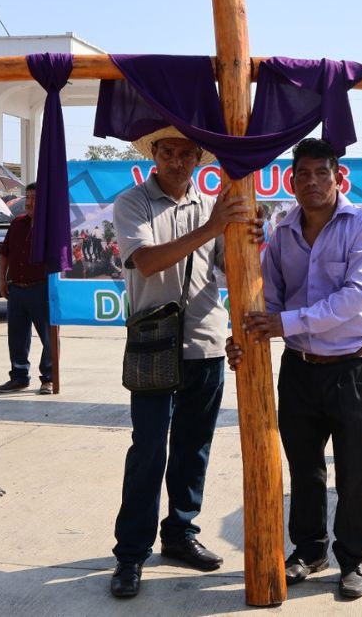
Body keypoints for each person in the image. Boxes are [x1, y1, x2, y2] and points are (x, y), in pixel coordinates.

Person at [227, 138, 362, 600]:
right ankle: (310, 550)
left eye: (323, 173)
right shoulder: (280, 231)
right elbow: (268, 296)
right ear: (291, 181)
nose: (313, 182)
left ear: (338, 177)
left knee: (355, 472)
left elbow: (355, 298)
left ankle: (353, 560)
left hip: (350, 368)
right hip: (297, 368)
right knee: (303, 467)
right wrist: (248, 336)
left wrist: (283, 322)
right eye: (304, 175)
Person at [107, 127, 259, 599]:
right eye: (167, 152)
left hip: (206, 343)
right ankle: (131, 553)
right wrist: (214, 228)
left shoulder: (211, 205)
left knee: (194, 447)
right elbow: (147, 261)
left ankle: (180, 533)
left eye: (185, 154)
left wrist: (246, 242)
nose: (176, 161)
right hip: (154, 344)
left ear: (198, 158)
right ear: (154, 154)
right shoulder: (132, 202)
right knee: (149, 449)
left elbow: (230, 269)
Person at [0, 183, 57, 395]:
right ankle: (19, 376)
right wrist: (2, 281)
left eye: (35, 198)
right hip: (17, 289)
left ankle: (49, 378)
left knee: (49, 336)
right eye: (27, 197)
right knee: (17, 336)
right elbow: (5, 253)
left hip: (42, 289)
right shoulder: (17, 223)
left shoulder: (51, 228)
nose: (29, 202)